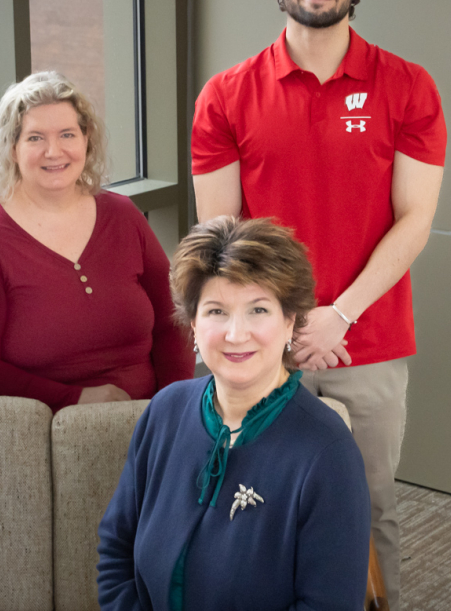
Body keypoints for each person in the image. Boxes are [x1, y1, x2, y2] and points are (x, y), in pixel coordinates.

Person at [189, 0, 445, 600]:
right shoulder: (226, 95)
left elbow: (415, 219)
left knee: (370, 506)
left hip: (370, 339)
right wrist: (288, 323)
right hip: (259, 342)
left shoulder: (407, 87)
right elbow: (221, 235)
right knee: (249, 500)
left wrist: (340, 315)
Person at [97, 216, 371, 611]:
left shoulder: (328, 453)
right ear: (193, 323)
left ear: (290, 320)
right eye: (216, 311)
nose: (235, 334)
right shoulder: (165, 412)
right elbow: (116, 550)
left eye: (258, 310)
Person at [0, 72, 193, 411]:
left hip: (143, 418)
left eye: (67, 134)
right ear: (12, 148)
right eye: (35, 138)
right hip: (34, 428)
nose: (53, 151)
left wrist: (174, 409)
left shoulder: (123, 215)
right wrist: (72, 399)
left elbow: (173, 321)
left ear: (86, 140)